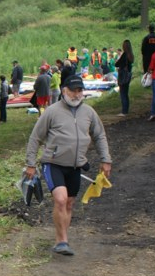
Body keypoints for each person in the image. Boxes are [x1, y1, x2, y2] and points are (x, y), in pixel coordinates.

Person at [25, 75, 112, 256]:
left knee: (69, 203)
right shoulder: (52, 112)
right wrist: (30, 164)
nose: (76, 94)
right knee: (60, 199)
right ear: (64, 90)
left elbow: (99, 136)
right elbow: (35, 138)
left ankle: (63, 239)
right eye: (73, 90)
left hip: (75, 166)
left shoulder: (89, 112)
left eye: (80, 90)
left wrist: (106, 160)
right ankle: (61, 241)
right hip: (53, 163)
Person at [115, 39, 135, 117]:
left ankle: (124, 111)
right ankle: (126, 110)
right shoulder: (131, 55)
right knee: (126, 93)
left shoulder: (124, 55)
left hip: (123, 75)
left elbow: (117, 64)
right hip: (128, 75)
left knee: (123, 93)